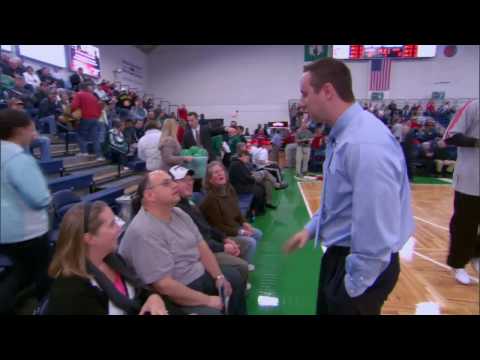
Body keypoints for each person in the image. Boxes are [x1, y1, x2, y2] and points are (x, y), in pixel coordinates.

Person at [283, 58, 414, 315]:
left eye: (304, 93)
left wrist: (352, 288)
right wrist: (310, 229)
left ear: (328, 91)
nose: (301, 102)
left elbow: (376, 228)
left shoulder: (364, 144)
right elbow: (341, 200)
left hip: (361, 267)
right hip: (343, 256)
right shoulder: (345, 135)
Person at [119, 170, 247, 315]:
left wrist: (219, 277)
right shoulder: (144, 231)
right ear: (150, 195)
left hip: (197, 273)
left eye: (173, 181)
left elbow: (202, 246)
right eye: (166, 183)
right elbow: (164, 285)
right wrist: (208, 300)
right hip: (176, 292)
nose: (175, 185)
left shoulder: (179, 213)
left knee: (234, 277)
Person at [46, 201, 176, 315]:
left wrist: (153, 297)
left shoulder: (113, 260)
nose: (119, 228)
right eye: (112, 224)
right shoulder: (70, 292)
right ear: (89, 238)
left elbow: (141, 291)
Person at [0, 109, 52, 314]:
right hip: (25, 233)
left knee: (14, 275)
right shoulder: (19, 159)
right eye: (32, 129)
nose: (35, 135)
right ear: (19, 131)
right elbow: (40, 198)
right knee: (33, 276)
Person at [171, 165, 251, 288]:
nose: (189, 183)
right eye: (183, 181)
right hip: (204, 251)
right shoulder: (178, 210)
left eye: (190, 179)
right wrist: (224, 246)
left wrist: (224, 238)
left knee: (247, 243)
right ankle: (239, 287)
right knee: (242, 266)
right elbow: (198, 241)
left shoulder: (190, 203)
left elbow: (207, 227)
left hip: (214, 241)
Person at [442, 100, 480, 284]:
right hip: (470, 180)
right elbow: (449, 136)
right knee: (465, 225)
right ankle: (458, 264)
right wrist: (477, 142)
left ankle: (476, 254)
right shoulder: (473, 106)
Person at [200, 161, 263, 270]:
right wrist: (240, 231)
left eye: (221, 171)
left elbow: (237, 211)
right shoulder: (210, 199)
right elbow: (219, 227)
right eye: (215, 172)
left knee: (257, 233)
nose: (220, 174)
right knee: (251, 242)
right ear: (210, 180)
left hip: (234, 227)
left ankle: (242, 260)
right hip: (222, 234)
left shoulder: (229, 188)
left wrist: (244, 222)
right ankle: (242, 267)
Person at [71, 82, 103, 160]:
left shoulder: (79, 94)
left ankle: (84, 152)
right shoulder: (93, 96)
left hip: (85, 118)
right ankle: (99, 156)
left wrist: (73, 113)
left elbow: (74, 106)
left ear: (80, 88)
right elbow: (100, 108)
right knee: (95, 138)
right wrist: (96, 116)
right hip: (95, 119)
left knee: (78, 134)